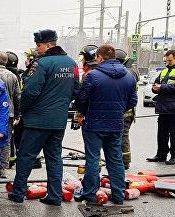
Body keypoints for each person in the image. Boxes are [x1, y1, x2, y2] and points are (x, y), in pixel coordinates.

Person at [9, 30, 78, 205]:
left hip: (37, 121)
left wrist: (21, 110)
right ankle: (55, 196)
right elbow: (76, 90)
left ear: (48, 45)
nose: (37, 49)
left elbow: (30, 91)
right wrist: (60, 105)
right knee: (54, 159)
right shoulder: (71, 63)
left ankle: (18, 193)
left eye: (39, 45)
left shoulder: (41, 64)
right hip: (58, 121)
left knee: (25, 156)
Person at [74, 45, 138, 205]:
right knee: (115, 159)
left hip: (94, 125)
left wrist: (86, 112)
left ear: (100, 58)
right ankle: (118, 194)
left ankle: (90, 195)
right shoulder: (129, 76)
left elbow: (81, 100)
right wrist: (118, 111)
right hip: (116, 124)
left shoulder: (92, 76)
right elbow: (133, 101)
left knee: (93, 159)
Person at [146, 49, 175, 165]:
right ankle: (161, 155)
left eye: (170, 60)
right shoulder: (165, 71)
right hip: (164, 108)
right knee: (162, 133)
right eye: (166, 60)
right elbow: (157, 83)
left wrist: (161, 87)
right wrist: (155, 88)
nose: (167, 63)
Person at [0, 51, 20, 174]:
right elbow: (17, 97)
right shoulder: (13, 76)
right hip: (8, 113)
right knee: (5, 141)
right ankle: (2, 169)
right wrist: (17, 114)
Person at [116, 49, 140, 169]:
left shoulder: (127, 73)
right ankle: (123, 160)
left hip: (125, 111)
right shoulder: (132, 71)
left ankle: (125, 161)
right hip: (128, 109)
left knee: (122, 135)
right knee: (123, 135)